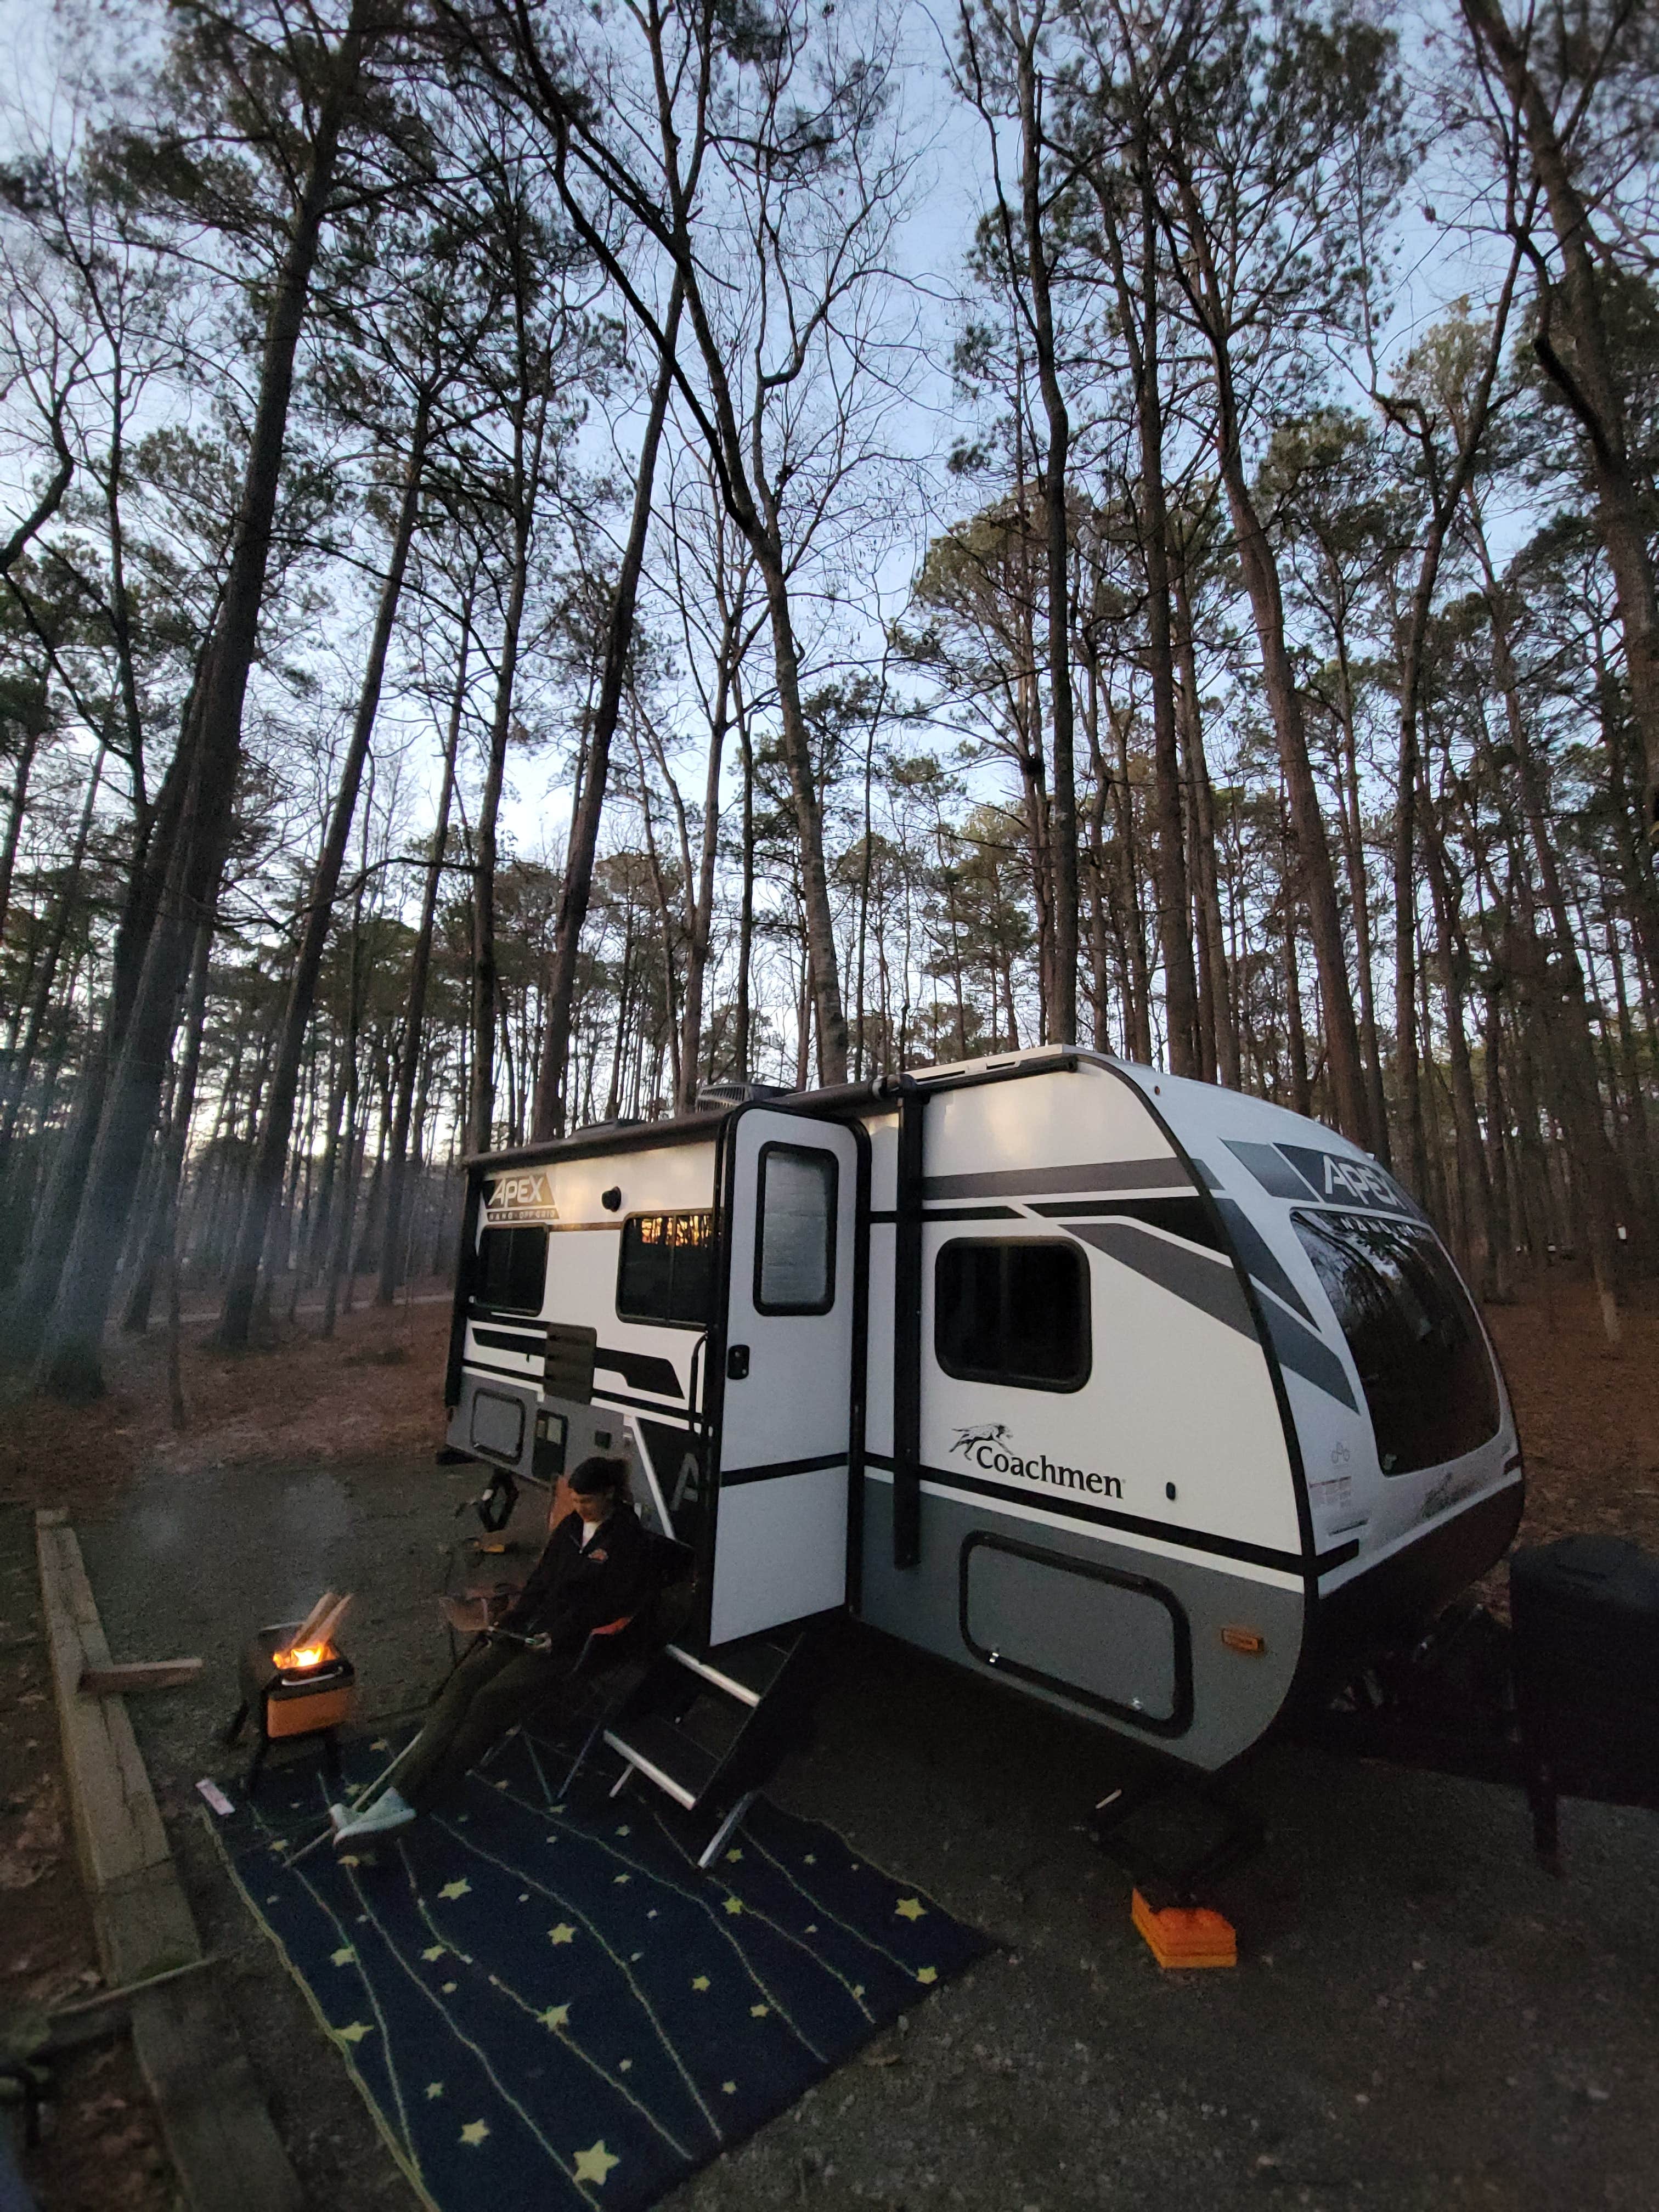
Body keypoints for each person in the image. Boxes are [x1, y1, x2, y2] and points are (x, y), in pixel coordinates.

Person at [331, 1455, 653, 1844]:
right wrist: (511, 1622)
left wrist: (560, 1636)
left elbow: (611, 1604)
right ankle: (395, 1794)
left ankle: (419, 1802)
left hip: (571, 1647)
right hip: (529, 1632)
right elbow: (539, 1584)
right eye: (575, 1500)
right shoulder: (571, 1528)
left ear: (610, 1495)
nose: (579, 1508)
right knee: (465, 1680)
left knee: (490, 1699)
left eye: (587, 1501)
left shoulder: (628, 1541)